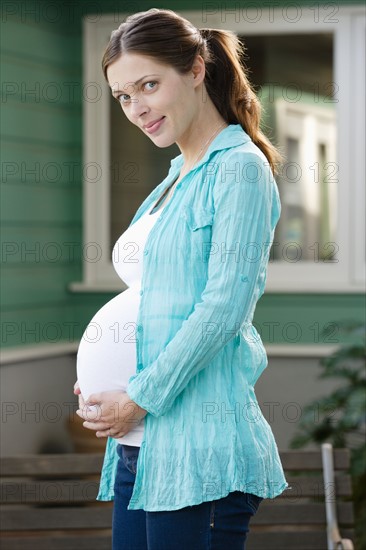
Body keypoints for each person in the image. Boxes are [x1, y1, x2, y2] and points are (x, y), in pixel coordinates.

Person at [74, 8, 288, 550]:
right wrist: (104, 384)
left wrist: (137, 395)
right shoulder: (177, 173)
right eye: (123, 96)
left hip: (198, 451)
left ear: (195, 69)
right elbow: (156, 300)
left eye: (149, 85)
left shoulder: (239, 167)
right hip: (140, 443)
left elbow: (223, 309)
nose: (136, 108)